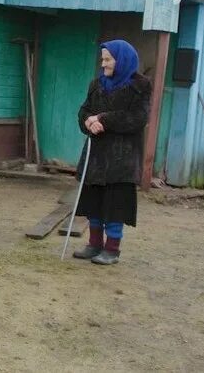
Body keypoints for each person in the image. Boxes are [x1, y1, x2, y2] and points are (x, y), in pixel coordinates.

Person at [73, 39, 152, 265]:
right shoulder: (96, 84)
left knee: (115, 204)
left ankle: (112, 249)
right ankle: (94, 244)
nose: (103, 64)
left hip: (122, 158)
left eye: (108, 59)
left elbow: (137, 118)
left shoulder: (140, 86)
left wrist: (103, 120)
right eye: (103, 59)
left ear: (122, 60)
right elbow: (84, 111)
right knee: (94, 202)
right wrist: (88, 121)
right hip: (97, 154)